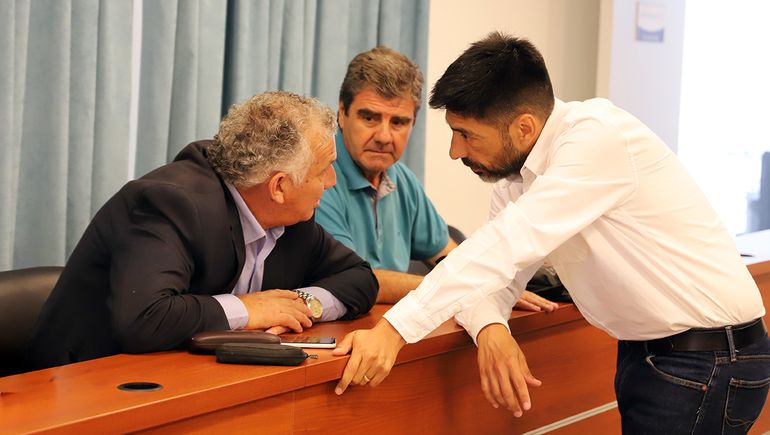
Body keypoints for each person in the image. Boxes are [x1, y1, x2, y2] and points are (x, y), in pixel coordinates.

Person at [331, 33, 769, 434]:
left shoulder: (595, 139)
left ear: (522, 127)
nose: (454, 151)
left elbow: (500, 249)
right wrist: (490, 328)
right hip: (656, 355)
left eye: (466, 135)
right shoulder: (515, 176)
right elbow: (493, 267)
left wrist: (392, 331)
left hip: (707, 359)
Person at [27, 91, 378, 370]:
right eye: (323, 171)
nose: (332, 182)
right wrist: (248, 310)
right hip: (79, 385)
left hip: (187, 376)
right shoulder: (171, 204)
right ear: (279, 186)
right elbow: (142, 319)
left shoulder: (292, 219)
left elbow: (360, 278)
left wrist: (303, 304)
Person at [316, 45, 557, 312]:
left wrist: (492, 289)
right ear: (342, 113)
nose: (384, 136)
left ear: (413, 123)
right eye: (370, 118)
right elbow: (354, 280)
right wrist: (461, 287)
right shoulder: (319, 178)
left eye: (398, 122)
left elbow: (445, 255)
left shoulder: (401, 179)